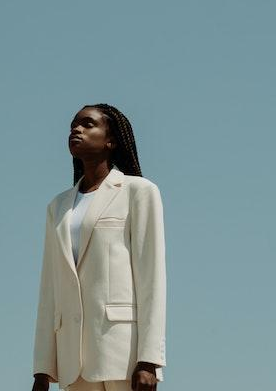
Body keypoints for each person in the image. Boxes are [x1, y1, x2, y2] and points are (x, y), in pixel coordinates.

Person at [32, 105, 166, 391]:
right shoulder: (57, 207)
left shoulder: (138, 192)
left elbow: (151, 279)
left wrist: (149, 360)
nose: (76, 130)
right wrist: (42, 368)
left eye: (88, 124)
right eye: (72, 125)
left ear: (111, 140)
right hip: (73, 361)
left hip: (123, 356)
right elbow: (49, 290)